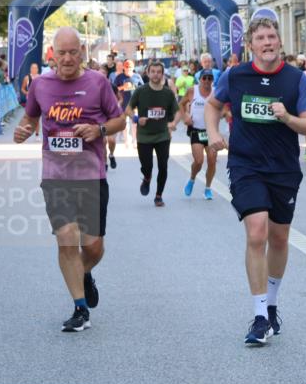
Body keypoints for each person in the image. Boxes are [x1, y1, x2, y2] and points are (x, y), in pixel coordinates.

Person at [204, 16, 306, 346]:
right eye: (261, 38)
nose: (267, 42)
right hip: (246, 165)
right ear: (250, 45)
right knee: (257, 232)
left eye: (271, 37)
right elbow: (213, 105)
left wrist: (288, 117)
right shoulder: (235, 75)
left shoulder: (295, 79)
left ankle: (271, 304)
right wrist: (213, 132)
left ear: (279, 41)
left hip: (283, 169)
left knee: (279, 238)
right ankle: (259, 317)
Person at [12, 27, 127, 332]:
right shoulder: (40, 84)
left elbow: (119, 119)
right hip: (56, 176)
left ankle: (84, 273)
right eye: (61, 53)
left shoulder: (97, 82)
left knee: (93, 248)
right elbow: (30, 118)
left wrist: (99, 130)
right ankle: (80, 308)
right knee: (66, 238)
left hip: (91, 175)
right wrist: (23, 130)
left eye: (73, 52)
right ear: (53, 54)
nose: (67, 59)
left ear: (81, 53)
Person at [126, 60, 179, 207]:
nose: (156, 74)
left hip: (162, 135)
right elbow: (128, 109)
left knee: (163, 166)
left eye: (158, 72)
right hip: (144, 136)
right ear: (148, 73)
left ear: (162, 74)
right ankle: (147, 178)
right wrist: (136, 119)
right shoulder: (140, 91)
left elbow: (177, 111)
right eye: (153, 72)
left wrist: (174, 123)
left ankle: (158, 196)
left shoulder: (167, 93)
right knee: (146, 166)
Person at [179, 69, 219, 200]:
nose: (207, 81)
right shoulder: (192, 91)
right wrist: (185, 117)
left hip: (211, 132)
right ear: (199, 79)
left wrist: (224, 114)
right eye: (204, 78)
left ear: (212, 80)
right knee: (199, 161)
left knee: (212, 161)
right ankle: (192, 179)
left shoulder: (216, 92)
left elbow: (223, 107)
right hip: (196, 130)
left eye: (209, 78)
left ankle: (208, 188)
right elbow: (181, 104)